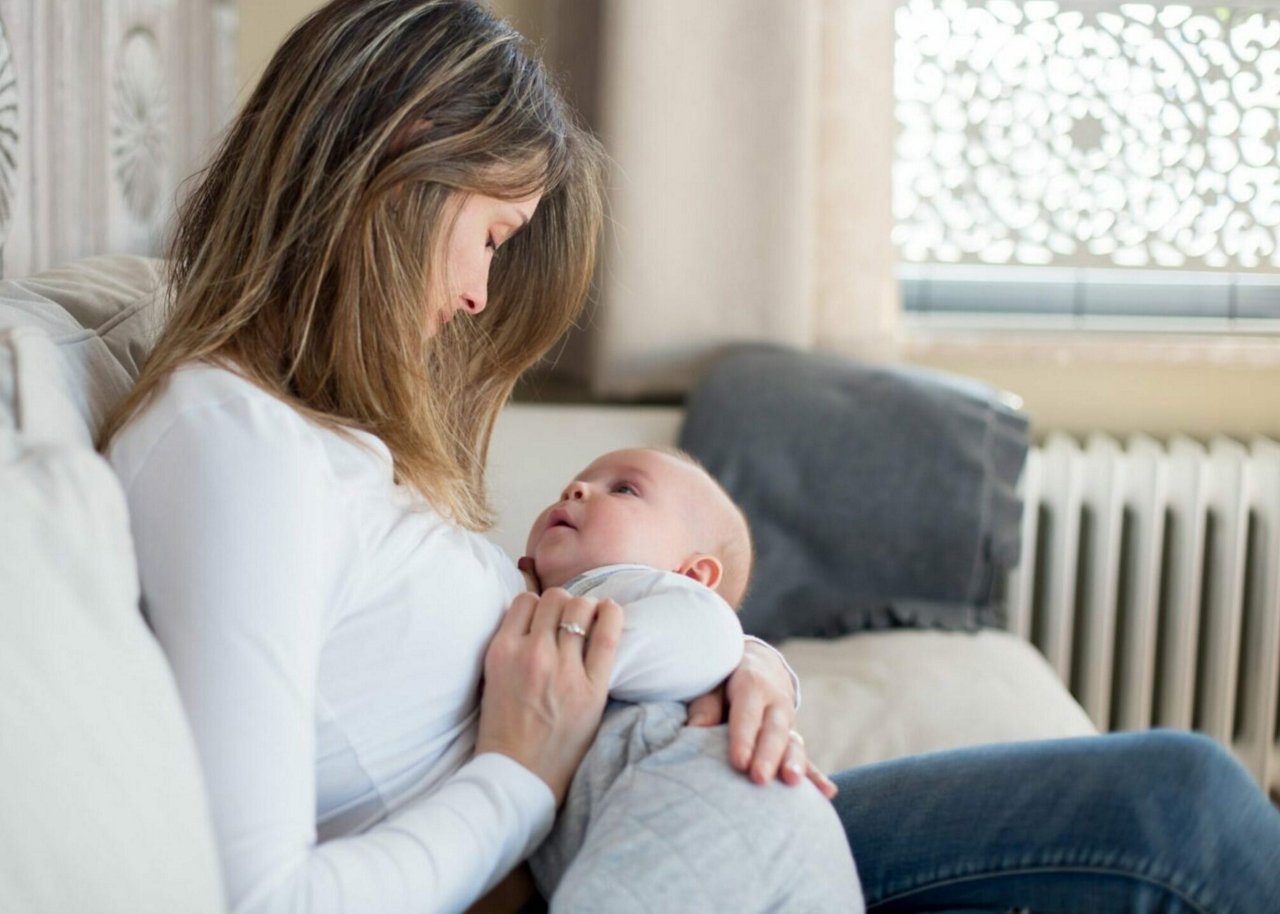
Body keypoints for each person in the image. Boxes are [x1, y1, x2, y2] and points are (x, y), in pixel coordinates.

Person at [98, 1, 1280, 913]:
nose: (473, 294)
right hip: (601, 853)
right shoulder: (227, 443)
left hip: (642, 808)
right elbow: (262, 897)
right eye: (493, 237)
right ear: (410, 157)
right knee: (1182, 817)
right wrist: (520, 774)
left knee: (1185, 797)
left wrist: (746, 661)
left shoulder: (316, 436)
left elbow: (580, 622)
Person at [518, 446, 862, 913]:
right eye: (574, 485)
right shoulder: (540, 597)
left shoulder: (645, 589)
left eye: (623, 489)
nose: (576, 489)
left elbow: (709, 635)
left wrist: (558, 665)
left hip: (712, 790)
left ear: (694, 574)